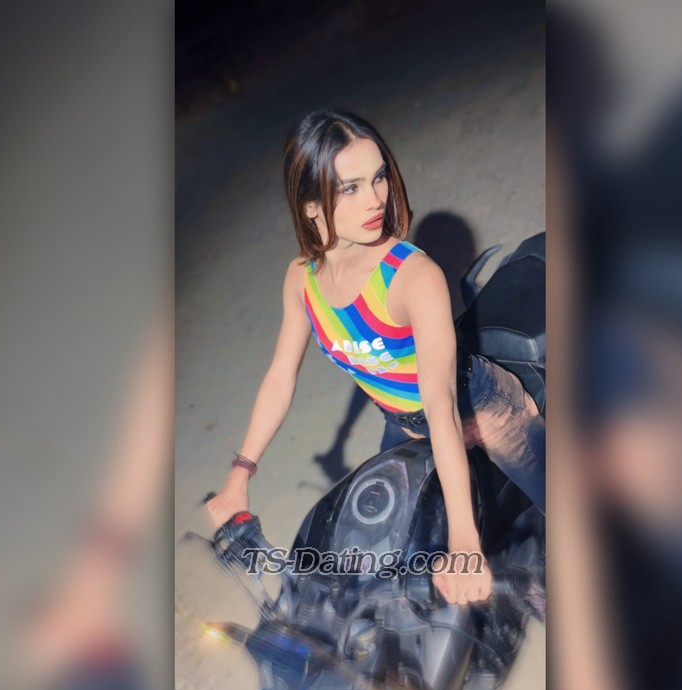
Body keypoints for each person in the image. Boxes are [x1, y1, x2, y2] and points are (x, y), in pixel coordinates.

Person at [206, 109, 545, 605]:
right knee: (391, 555)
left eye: (379, 177)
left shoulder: (412, 276)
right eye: (351, 188)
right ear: (310, 206)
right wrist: (241, 474)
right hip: (402, 422)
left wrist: (464, 544)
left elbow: (442, 405)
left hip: (480, 407)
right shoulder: (302, 279)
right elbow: (280, 377)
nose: (376, 199)